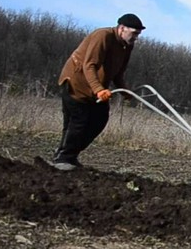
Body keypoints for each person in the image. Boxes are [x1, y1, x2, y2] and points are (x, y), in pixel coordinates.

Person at [51, 13, 145, 171]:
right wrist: (99, 90)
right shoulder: (102, 36)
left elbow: (118, 73)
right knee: (78, 121)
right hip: (77, 83)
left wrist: (126, 91)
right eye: (134, 33)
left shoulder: (126, 46)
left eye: (138, 34)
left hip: (97, 89)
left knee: (99, 120)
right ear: (122, 29)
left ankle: (67, 154)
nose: (136, 37)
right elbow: (89, 65)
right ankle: (64, 158)